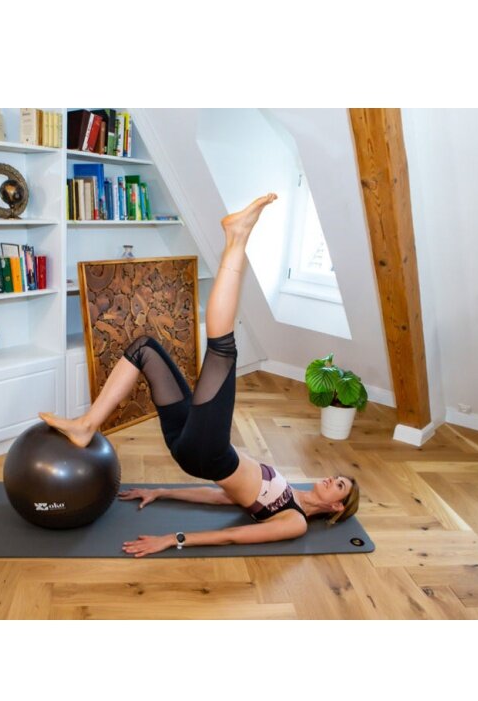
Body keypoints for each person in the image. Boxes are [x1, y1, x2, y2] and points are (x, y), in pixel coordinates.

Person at [40, 193, 360, 557]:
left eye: (338, 486)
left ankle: (237, 237)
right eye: (337, 478)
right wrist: (161, 492)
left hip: (208, 455)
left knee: (223, 349)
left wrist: (171, 540)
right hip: (190, 444)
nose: (330, 479)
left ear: (336, 507)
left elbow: (233, 537)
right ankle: (87, 424)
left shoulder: (295, 520)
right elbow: (221, 497)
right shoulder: (292, 490)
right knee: (144, 347)